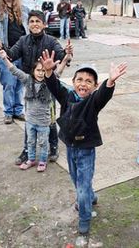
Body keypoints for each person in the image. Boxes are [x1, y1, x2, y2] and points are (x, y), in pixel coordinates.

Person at [40, 49, 127, 235]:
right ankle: (91, 196)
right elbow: (55, 87)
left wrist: (110, 82)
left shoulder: (94, 101)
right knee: (76, 180)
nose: (83, 84)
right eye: (80, 79)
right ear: (73, 82)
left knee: (82, 186)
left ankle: (85, 217)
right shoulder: (67, 96)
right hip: (70, 147)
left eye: (89, 81)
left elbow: (104, 94)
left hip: (86, 150)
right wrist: (48, 72)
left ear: (95, 86)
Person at [0, 10, 73, 165]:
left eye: (38, 21)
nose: (34, 24)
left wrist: (67, 54)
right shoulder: (23, 40)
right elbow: (11, 55)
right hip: (30, 86)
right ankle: (27, 150)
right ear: (28, 25)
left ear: (44, 24)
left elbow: (62, 56)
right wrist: (1, 46)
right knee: (31, 118)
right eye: (32, 21)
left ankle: (53, 146)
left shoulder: (51, 41)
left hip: (49, 86)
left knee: (50, 117)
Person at [0, 50, 70, 172]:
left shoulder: (50, 82)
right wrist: (5, 58)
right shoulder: (27, 80)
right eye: (38, 70)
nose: (41, 73)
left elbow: (58, 72)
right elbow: (14, 70)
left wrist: (66, 58)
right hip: (30, 121)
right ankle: (31, 160)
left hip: (44, 122)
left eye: (43, 70)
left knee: (43, 143)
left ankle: (42, 161)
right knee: (30, 141)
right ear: (33, 71)